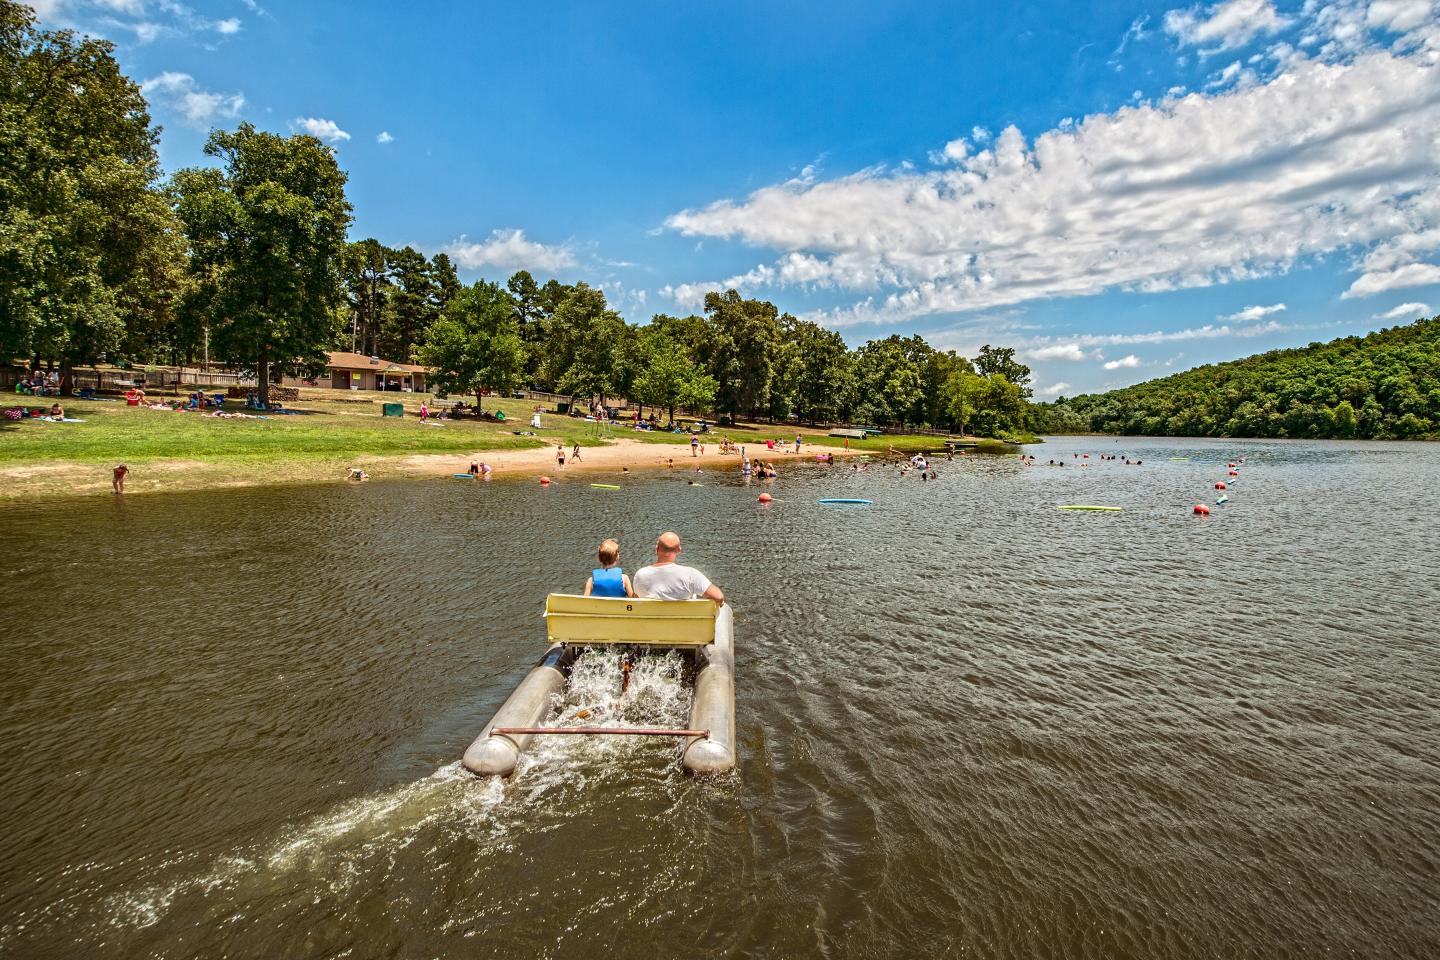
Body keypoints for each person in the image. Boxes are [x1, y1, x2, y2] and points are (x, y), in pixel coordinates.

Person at [632, 532, 724, 605]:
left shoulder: (640, 574)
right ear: (679, 550)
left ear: (657, 549)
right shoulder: (690, 574)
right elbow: (718, 597)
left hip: (650, 627)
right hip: (684, 627)